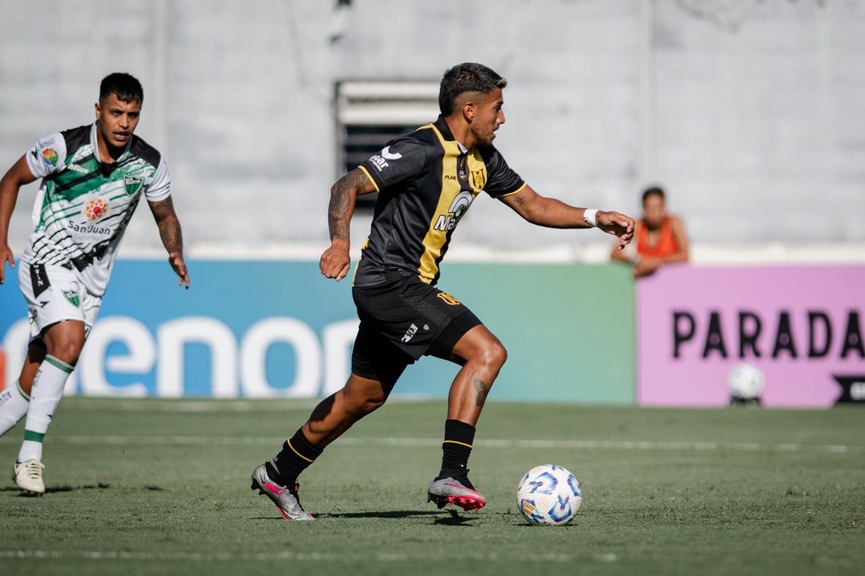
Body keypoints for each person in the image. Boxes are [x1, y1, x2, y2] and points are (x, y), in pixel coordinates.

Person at [250, 62, 635, 520]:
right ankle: (453, 472)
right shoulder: (420, 149)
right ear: (469, 109)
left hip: (402, 287)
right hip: (389, 282)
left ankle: (279, 471)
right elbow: (347, 185)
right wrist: (339, 243)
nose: (502, 118)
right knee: (487, 352)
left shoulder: (484, 160)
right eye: (497, 108)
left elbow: (533, 206)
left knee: (362, 397)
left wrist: (595, 217)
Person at [0, 72, 190, 494]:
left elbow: (166, 215)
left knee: (32, 381)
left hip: (92, 280)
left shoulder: (148, 163)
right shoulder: (62, 148)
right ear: (99, 110)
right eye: (116, 112)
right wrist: (0, 242)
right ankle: (29, 458)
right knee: (67, 344)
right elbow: (10, 180)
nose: (124, 123)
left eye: (132, 115)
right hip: (47, 262)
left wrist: (174, 251)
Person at [610, 186, 689, 278]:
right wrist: (638, 260)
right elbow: (615, 253)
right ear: (644, 208)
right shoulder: (638, 225)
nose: (655, 213)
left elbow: (684, 255)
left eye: (658, 207)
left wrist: (656, 262)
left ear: (664, 207)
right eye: (650, 208)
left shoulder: (673, 222)